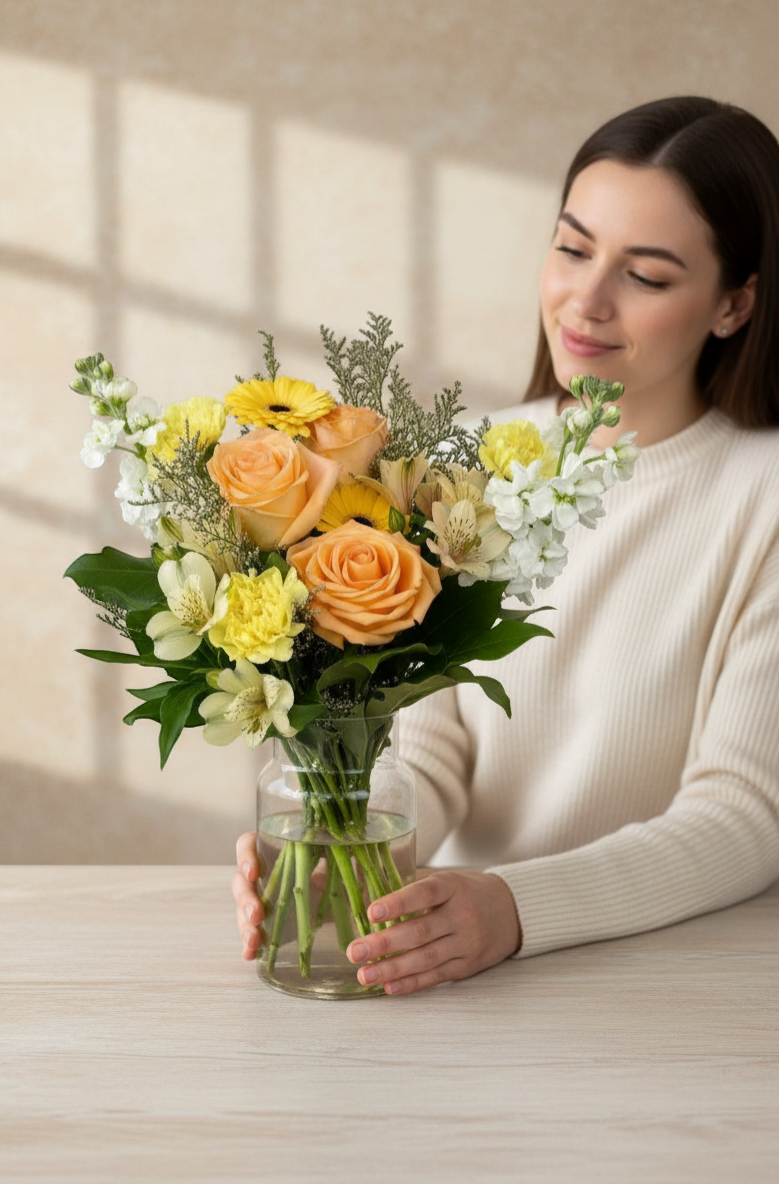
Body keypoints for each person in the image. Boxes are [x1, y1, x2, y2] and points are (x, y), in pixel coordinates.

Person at [233, 96, 779, 995]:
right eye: (571, 248)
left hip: (673, 984)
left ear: (733, 304)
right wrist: (343, 844)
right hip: (458, 969)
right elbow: (432, 753)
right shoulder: (466, 464)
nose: (587, 300)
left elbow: (744, 816)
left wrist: (515, 909)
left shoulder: (760, 497)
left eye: (646, 276)